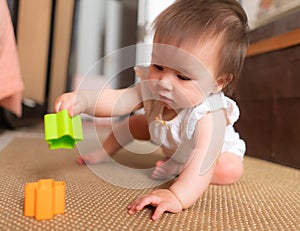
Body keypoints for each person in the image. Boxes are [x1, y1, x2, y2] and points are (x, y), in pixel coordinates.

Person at [55, 0, 248, 220]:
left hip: (215, 154)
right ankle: (104, 152)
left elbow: (204, 160)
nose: (164, 82)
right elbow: (116, 100)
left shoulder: (209, 114)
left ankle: (178, 167)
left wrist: (177, 195)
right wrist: (82, 101)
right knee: (133, 124)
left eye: (183, 77)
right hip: (171, 142)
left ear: (217, 82)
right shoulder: (152, 86)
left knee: (230, 169)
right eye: (158, 66)